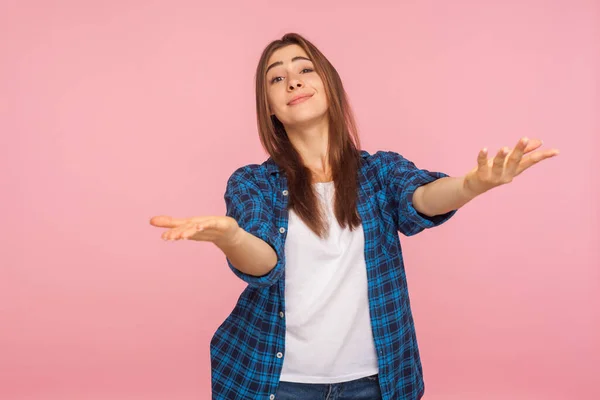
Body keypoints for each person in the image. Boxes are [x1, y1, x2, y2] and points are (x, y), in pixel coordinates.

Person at [149, 33, 559, 400]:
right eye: (276, 79)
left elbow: (422, 198)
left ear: (330, 85)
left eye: (305, 69)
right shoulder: (252, 182)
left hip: (376, 383)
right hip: (275, 382)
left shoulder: (380, 171)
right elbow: (265, 263)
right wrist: (231, 238)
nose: (292, 81)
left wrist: (472, 185)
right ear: (270, 108)